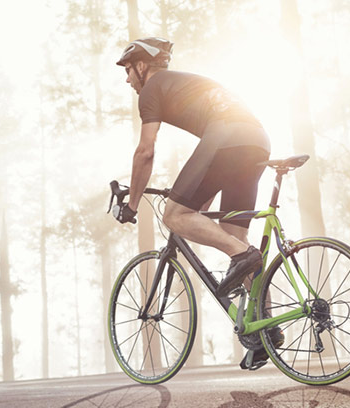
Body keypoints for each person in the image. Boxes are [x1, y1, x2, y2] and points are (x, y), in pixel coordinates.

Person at [111, 37, 281, 367]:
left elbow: (145, 151)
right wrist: (197, 202)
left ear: (142, 66)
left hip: (227, 137)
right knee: (233, 234)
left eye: (128, 70)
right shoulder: (183, 83)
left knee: (174, 216)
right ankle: (265, 331)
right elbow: (213, 166)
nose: (127, 79)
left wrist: (131, 205)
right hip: (257, 140)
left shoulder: (152, 89)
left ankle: (243, 256)